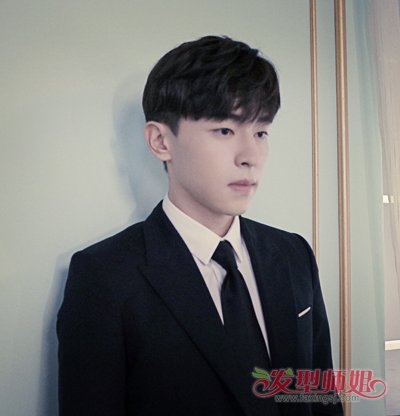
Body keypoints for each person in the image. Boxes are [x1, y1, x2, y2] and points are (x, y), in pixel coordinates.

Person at [57, 35, 343, 416]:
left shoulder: (293, 254)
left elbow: (321, 399)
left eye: (261, 132)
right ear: (161, 141)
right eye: (225, 130)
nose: (251, 156)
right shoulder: (104, 277)